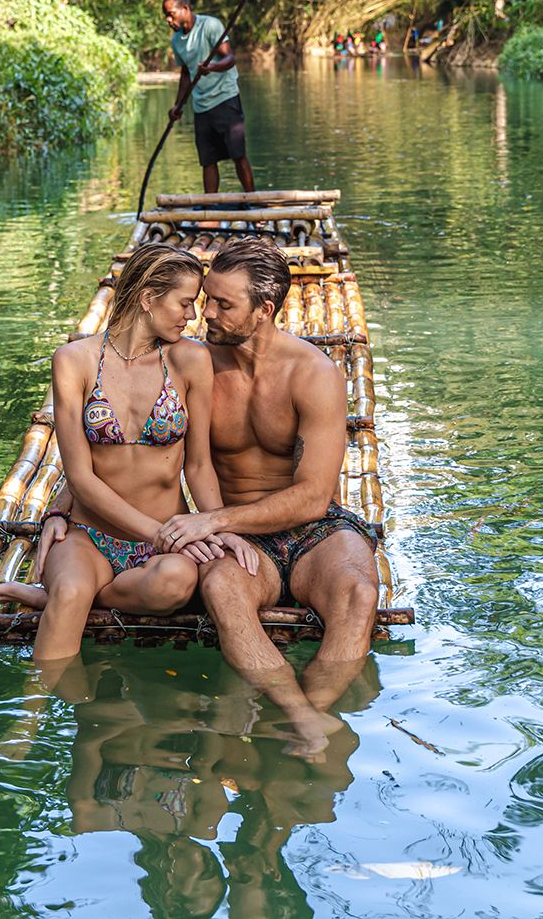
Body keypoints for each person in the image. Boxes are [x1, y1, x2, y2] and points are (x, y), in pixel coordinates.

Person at [153, 238, 381, 752]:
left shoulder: (313, 374)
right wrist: (218, 524)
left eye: (222, 305)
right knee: (223, 593)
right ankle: (303, 720)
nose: (204, 314)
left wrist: (212, 524)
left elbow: (313, 498)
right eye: (206, 299)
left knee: (359, 593)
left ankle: (308, 714)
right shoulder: (194, 364)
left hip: (314, 530)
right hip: (237, 534)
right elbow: (143, 438)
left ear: (265, 310)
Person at [0, 243, 257, 663]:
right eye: (185, 303)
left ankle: (56, 600)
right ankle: (27, 718)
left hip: (165, 542)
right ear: (148, 298)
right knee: (73, 587)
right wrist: (155, 532)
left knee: (176, 586)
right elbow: (81, 478)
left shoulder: (190, 359)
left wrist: (219, 526)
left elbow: (198, 465)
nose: (192, 316)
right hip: (89, 536)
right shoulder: (75, 360)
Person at [162, 0, 255, 195]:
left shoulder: (210, 25)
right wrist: (178, 105)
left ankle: (254, 202)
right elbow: (186, 73)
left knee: (238, 154)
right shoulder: (176, 41)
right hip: (201, 105)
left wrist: (211, 67)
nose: (168, 20)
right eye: (166, 16)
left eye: (172, 14)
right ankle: (210, 209)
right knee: (208, 160)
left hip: (225, 98)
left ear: (185, 9)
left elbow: (229, 59)